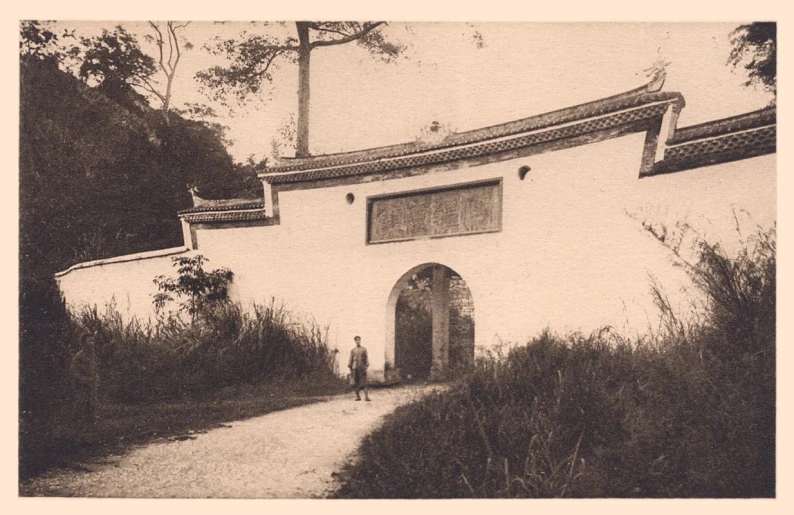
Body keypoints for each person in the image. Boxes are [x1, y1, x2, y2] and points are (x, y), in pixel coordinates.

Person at [69, 332, 100, 426]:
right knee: (81, 403)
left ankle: (91, 423)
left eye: (93, 341)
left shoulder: (93, 355)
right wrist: (84, 380)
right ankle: (77, 424)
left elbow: (94, 368)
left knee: (92, 403)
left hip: (91, 383)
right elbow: (73, 371)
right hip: (81, 384)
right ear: (83, 343)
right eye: (90, 341)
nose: (92, 343)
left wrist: (96, 377)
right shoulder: (78, 356)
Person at [348, 335, 370, 401]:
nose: (358, 341)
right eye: (356, 340)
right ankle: (358, 397)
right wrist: (351, 370)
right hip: (355, 368)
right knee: (355, 383)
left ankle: (366, 397)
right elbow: (350, 360)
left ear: (360, 341)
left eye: (359, 340)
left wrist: (366, 367)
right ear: (355, 341)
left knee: (364, 383)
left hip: (362, 368)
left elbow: (366, 359)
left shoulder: (364, 349)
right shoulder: (353, 350)